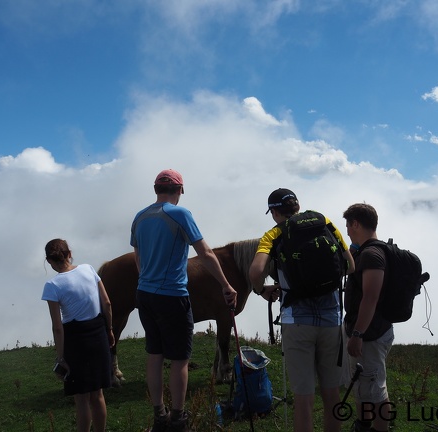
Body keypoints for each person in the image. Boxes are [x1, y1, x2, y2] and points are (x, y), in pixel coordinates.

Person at [130, 169, 237, 432]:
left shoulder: (140, 216)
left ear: (156, 188)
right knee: (179, 359)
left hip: (145, 294)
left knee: (154, 355)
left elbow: (138, 257)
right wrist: (226, 284)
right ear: (180, 191)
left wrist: (148, 278)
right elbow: (206, 253)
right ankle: (178, 420)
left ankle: (160, 418)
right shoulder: (179, 214)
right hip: (172, 296)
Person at [249, 188, 354, 432]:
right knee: (331, 395)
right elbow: (350, 266)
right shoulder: (324, 222)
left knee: (304, 399)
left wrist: (261, 290)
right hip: (332, 321)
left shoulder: (274, 234)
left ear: (274, 212)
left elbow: (255, 272)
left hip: (296, 322)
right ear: (297, 206)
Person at [42, 238, 115, 432]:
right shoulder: (89, 269)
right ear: (69, 253)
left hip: (75, 340)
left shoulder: (52, 285)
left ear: (49, 261)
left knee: (81, 399)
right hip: (98, 331)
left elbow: (57, 327)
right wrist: (109, 330)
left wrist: (61, 356)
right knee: (97, 394)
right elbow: (106, 303)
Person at [342, 203, 394, 432]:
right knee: (366, 384)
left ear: (356, 224)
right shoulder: (367, 252)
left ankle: (380, 429)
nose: (346, 231)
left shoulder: (372, 255)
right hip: (371, 331)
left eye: (348, 225)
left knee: (376, 389)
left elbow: (370, 297)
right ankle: (364, 424)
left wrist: (357, 334)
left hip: (370, 334)